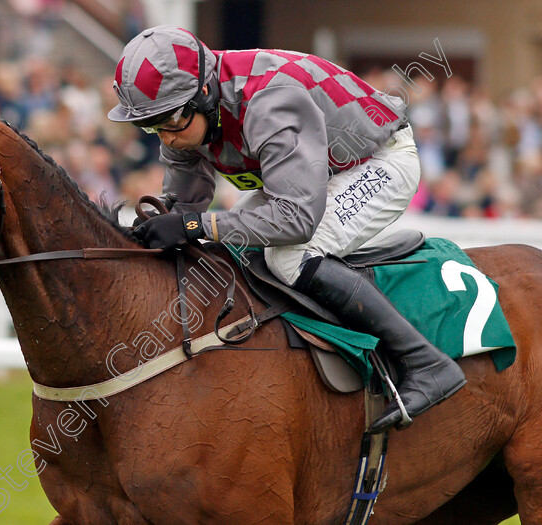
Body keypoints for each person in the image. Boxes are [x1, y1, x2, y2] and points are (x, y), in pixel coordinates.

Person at [108, 25, 466, 434]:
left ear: (204, 93)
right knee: (235, 249)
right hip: (314, 173)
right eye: (152, 126)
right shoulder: (184, 110)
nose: (168, 137)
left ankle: (425, 362)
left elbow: (296, 219)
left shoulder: (269, 101)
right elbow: (186, 205)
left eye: (171, 120)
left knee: (289, 255)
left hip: (376, 162)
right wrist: (161, 224)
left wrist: (192, 224)